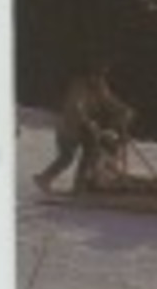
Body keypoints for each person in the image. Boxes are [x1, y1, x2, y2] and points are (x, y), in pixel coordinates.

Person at [33, 63, 135, 193]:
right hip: (69, 129)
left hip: (84, 129)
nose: (99, 79)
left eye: (102, 76)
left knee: (91, 152)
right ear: (90, 75)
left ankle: (80, 185)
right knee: (67, 157)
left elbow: (109, 101)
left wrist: (124, 109)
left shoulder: (100, 86)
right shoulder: (79, 86)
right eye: (97, 75)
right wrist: (88, 122)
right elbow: (76, 107)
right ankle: (45, 178)